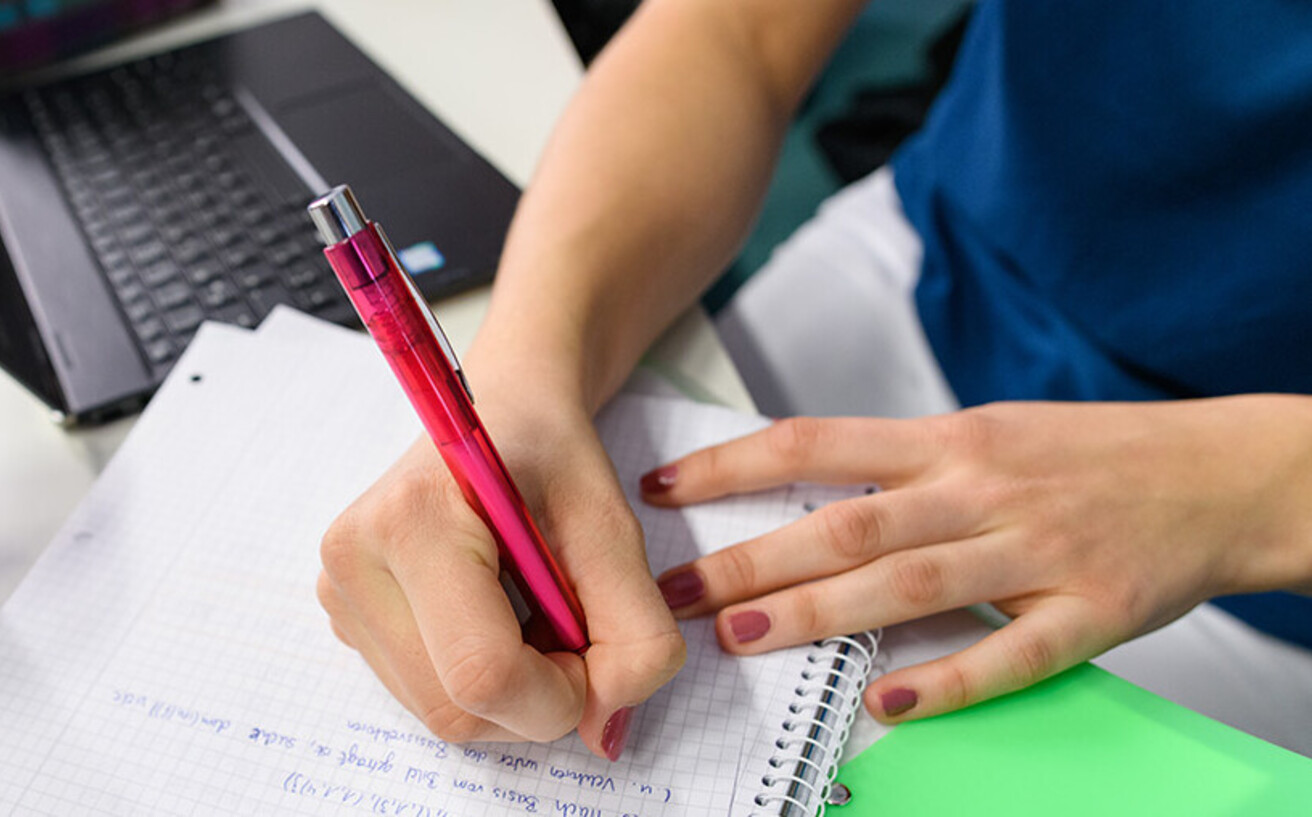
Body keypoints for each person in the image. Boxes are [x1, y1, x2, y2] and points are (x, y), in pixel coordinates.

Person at [313, 0, 1312, 763]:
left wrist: (1249, 489)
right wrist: (528, 372)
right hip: (945, 248)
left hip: (1258, 548)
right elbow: (737, 32)